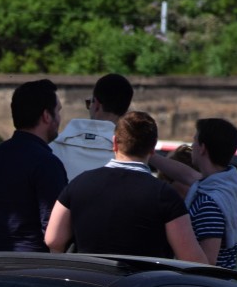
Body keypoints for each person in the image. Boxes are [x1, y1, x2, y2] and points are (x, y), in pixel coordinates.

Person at [43, 111, 205, 261]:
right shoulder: (165, 195)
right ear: (153, 147)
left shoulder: (79, 184)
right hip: (142, 286)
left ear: (114, 143)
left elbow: (53, 239)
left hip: (91, 282)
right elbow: (192, 259)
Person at [0, 79, 67, 252]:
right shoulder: (47, 163)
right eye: (58, 111)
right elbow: (55, 231)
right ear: (46, 116)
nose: (59, 118)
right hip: (32, 268)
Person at [150, 118, 237, 270]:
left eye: (194, 141)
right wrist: (149, 155)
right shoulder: (230, 185)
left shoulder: (209, 203)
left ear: (202, 148)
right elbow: (187, 175)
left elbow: (207, 265)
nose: (192, 146)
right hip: (225, 286)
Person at [50, 73, 133, 180]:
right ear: (125, 111)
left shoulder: (52, 149)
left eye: (89, 102)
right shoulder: (130, 158)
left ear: (97, 105)